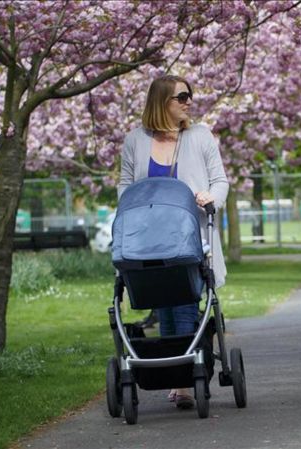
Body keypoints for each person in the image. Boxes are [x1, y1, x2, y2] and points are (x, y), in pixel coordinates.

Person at [118, 74, 229, 410]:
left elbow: (219, 179)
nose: (188, 102)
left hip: (189, 236)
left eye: (189, 96)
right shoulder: (136, 140)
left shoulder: (199, 135)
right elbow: (125, 185)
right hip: (148, 239)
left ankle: (183, 379)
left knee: (182, 300)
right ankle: (179, 373)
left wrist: (211, 197)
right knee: (161, 302)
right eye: (181, 96)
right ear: (161, 101)